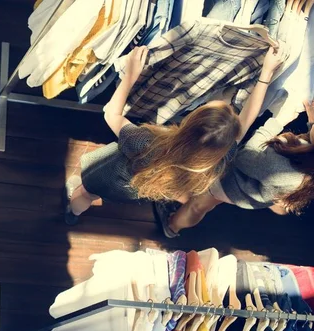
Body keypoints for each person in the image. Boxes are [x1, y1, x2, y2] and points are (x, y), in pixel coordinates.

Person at [65, 44, 287, 226]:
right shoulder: (218, 160)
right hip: (136, 190)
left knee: (85, 193)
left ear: (191, 121)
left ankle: (73, 212)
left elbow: (110, 114)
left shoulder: (147, 142)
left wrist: (131, 74)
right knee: (92, 193)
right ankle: (77, 208)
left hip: (108, 175)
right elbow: (247, 118)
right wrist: (265, 74)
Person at [159, 98, 314, 236]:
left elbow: (245, 158)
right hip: (248, 186)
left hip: (235, 185)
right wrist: (311, 123)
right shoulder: (308, 160)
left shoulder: (286, 170)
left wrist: (275, 123)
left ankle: (172, 226)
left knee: (198, 205)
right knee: (208, 201)